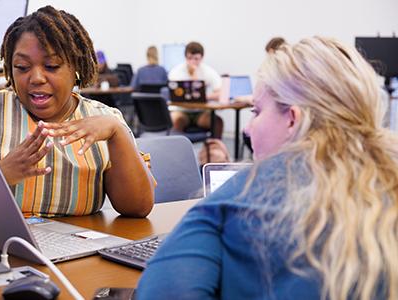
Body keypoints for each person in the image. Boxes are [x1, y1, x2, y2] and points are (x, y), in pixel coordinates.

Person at [137, 37, 398, 299]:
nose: (247, 129)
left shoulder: (241, 196)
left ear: (293, 120)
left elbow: (162, 292)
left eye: (256, 112)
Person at [0, 6, 154, 218]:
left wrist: (118, 133)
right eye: (22, 67)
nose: (36, 78)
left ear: (76, 68)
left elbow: (137, 208)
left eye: (51, 66)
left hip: (73, 252)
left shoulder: (106, 122)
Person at [168, 41, 223, 138]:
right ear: (185, 57)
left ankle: (214, 150)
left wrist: (205, 96)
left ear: (202, 58)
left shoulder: (207, 71)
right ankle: (179, 151)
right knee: (177, 121)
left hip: (200, 113)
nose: (193, 61)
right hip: (181, 111)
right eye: (190, 58)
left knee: (217, 122)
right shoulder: (176, 72)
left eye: (196, 59)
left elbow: (220, 92)